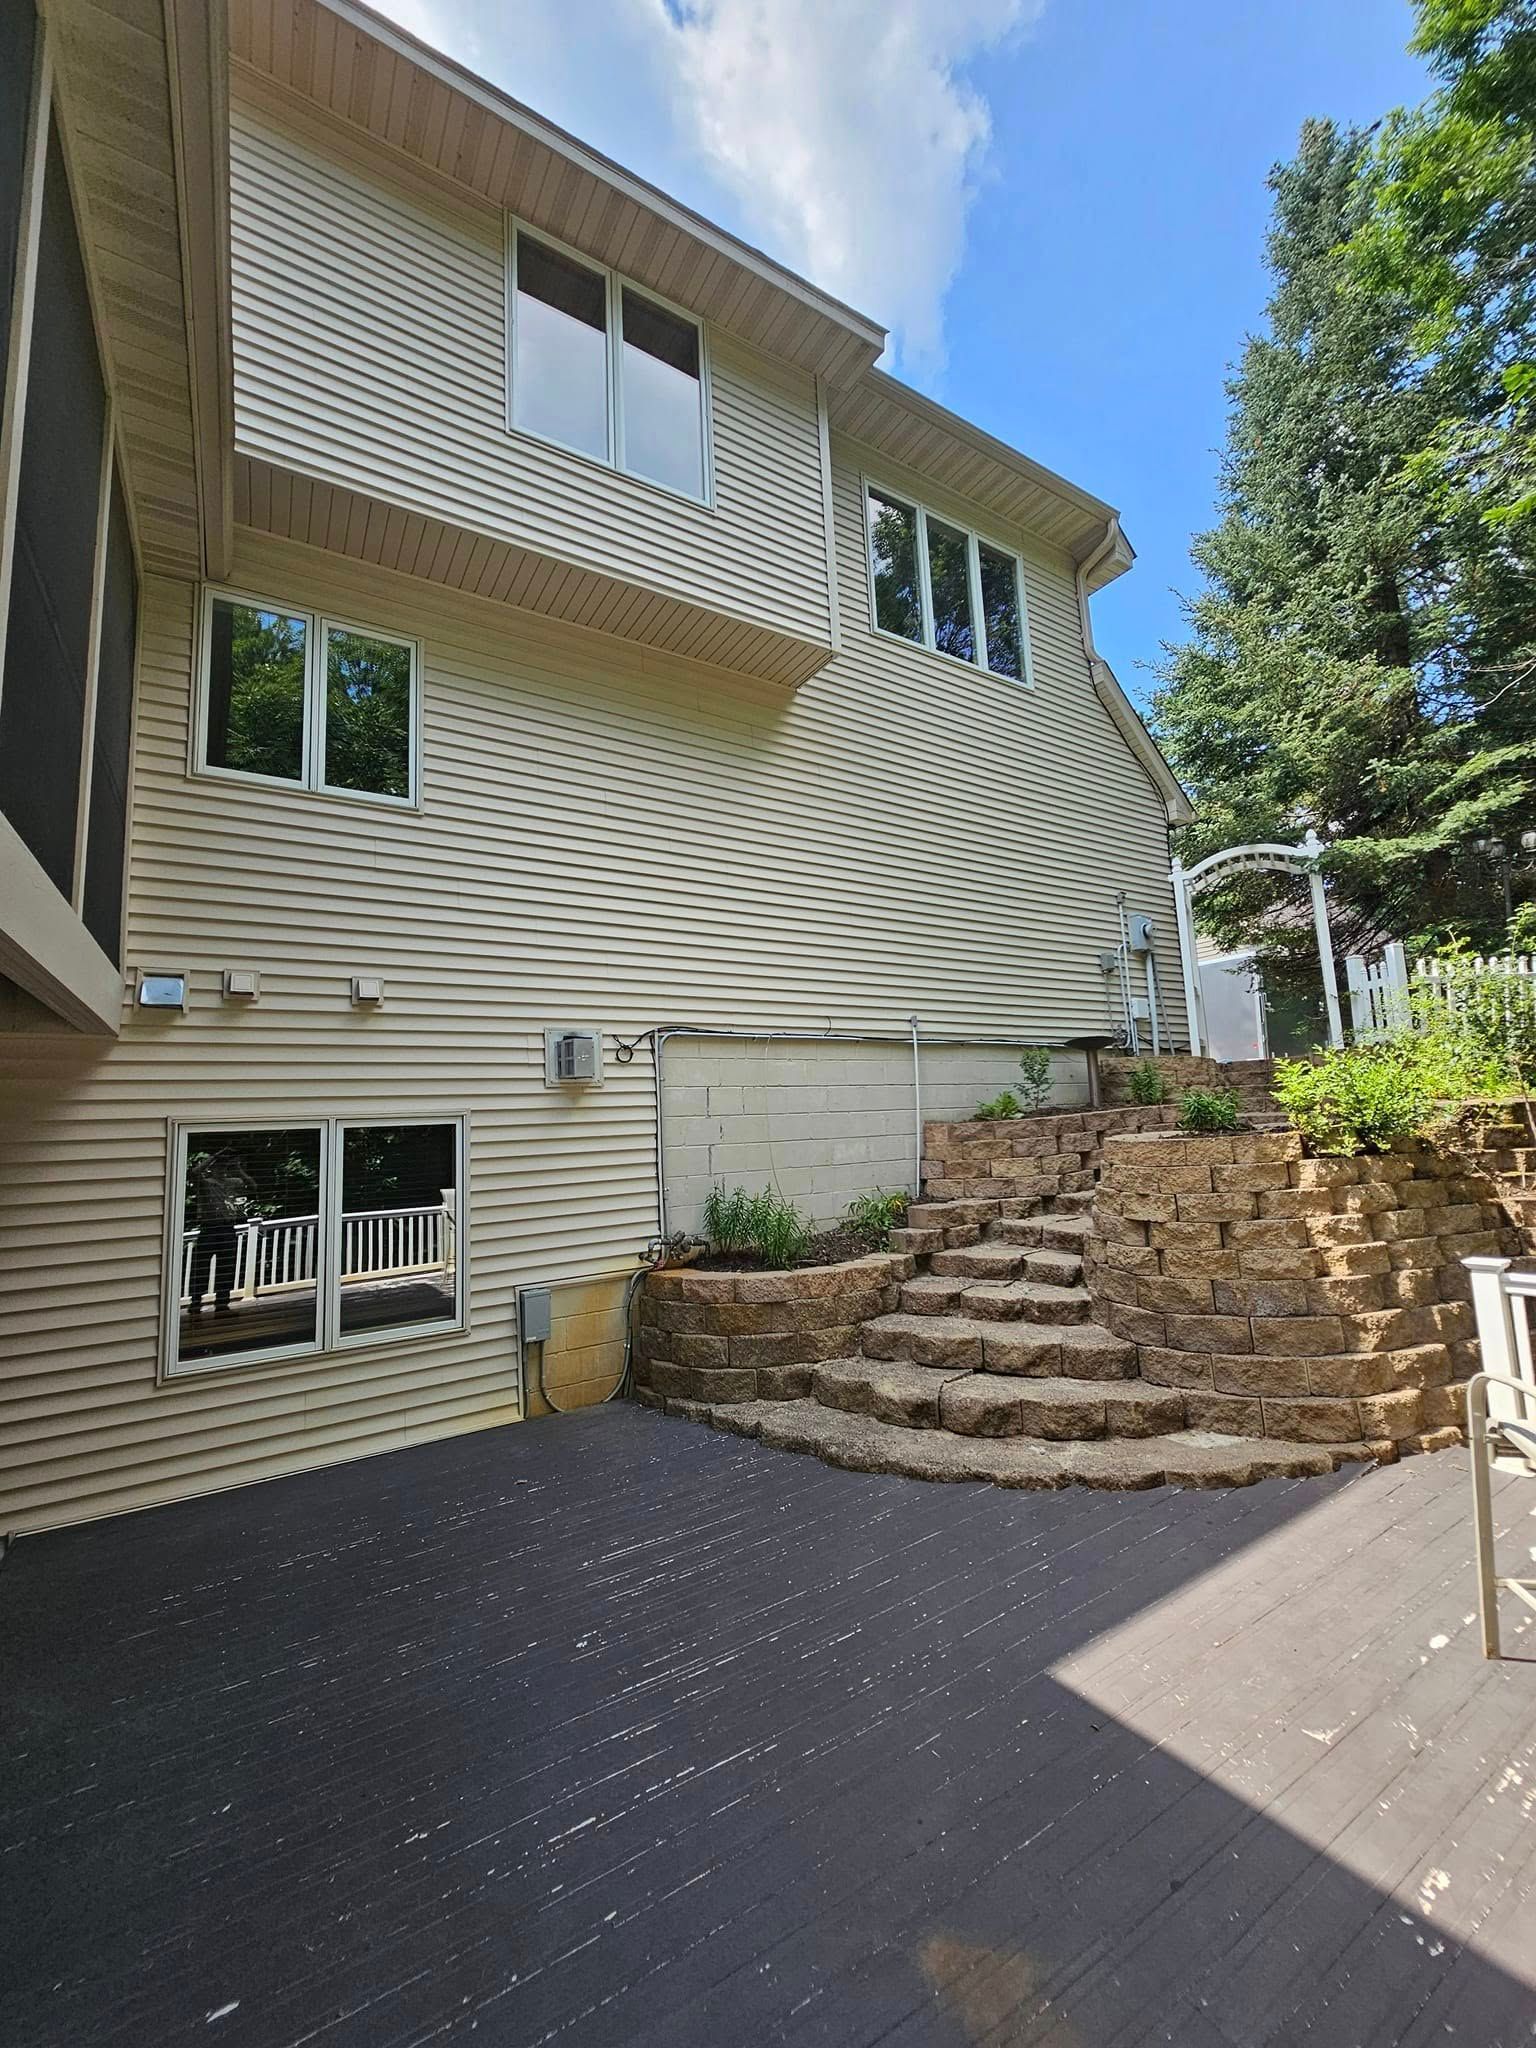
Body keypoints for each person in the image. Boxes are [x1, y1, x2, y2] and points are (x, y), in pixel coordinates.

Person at [186, 1147, 257, 1314]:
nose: (222, 1169)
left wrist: (237, 1168)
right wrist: (215, 1155)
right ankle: (196, 1302)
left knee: (226, 1267)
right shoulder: (206, 1183)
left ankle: (222, 1304)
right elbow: (194, 1173)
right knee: (201, 1267)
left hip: (227, 1228)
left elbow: (252, 1186)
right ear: (212, 1168)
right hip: (209, 1229)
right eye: (219, 1166)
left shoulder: (232, 1182)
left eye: (224, 1166)